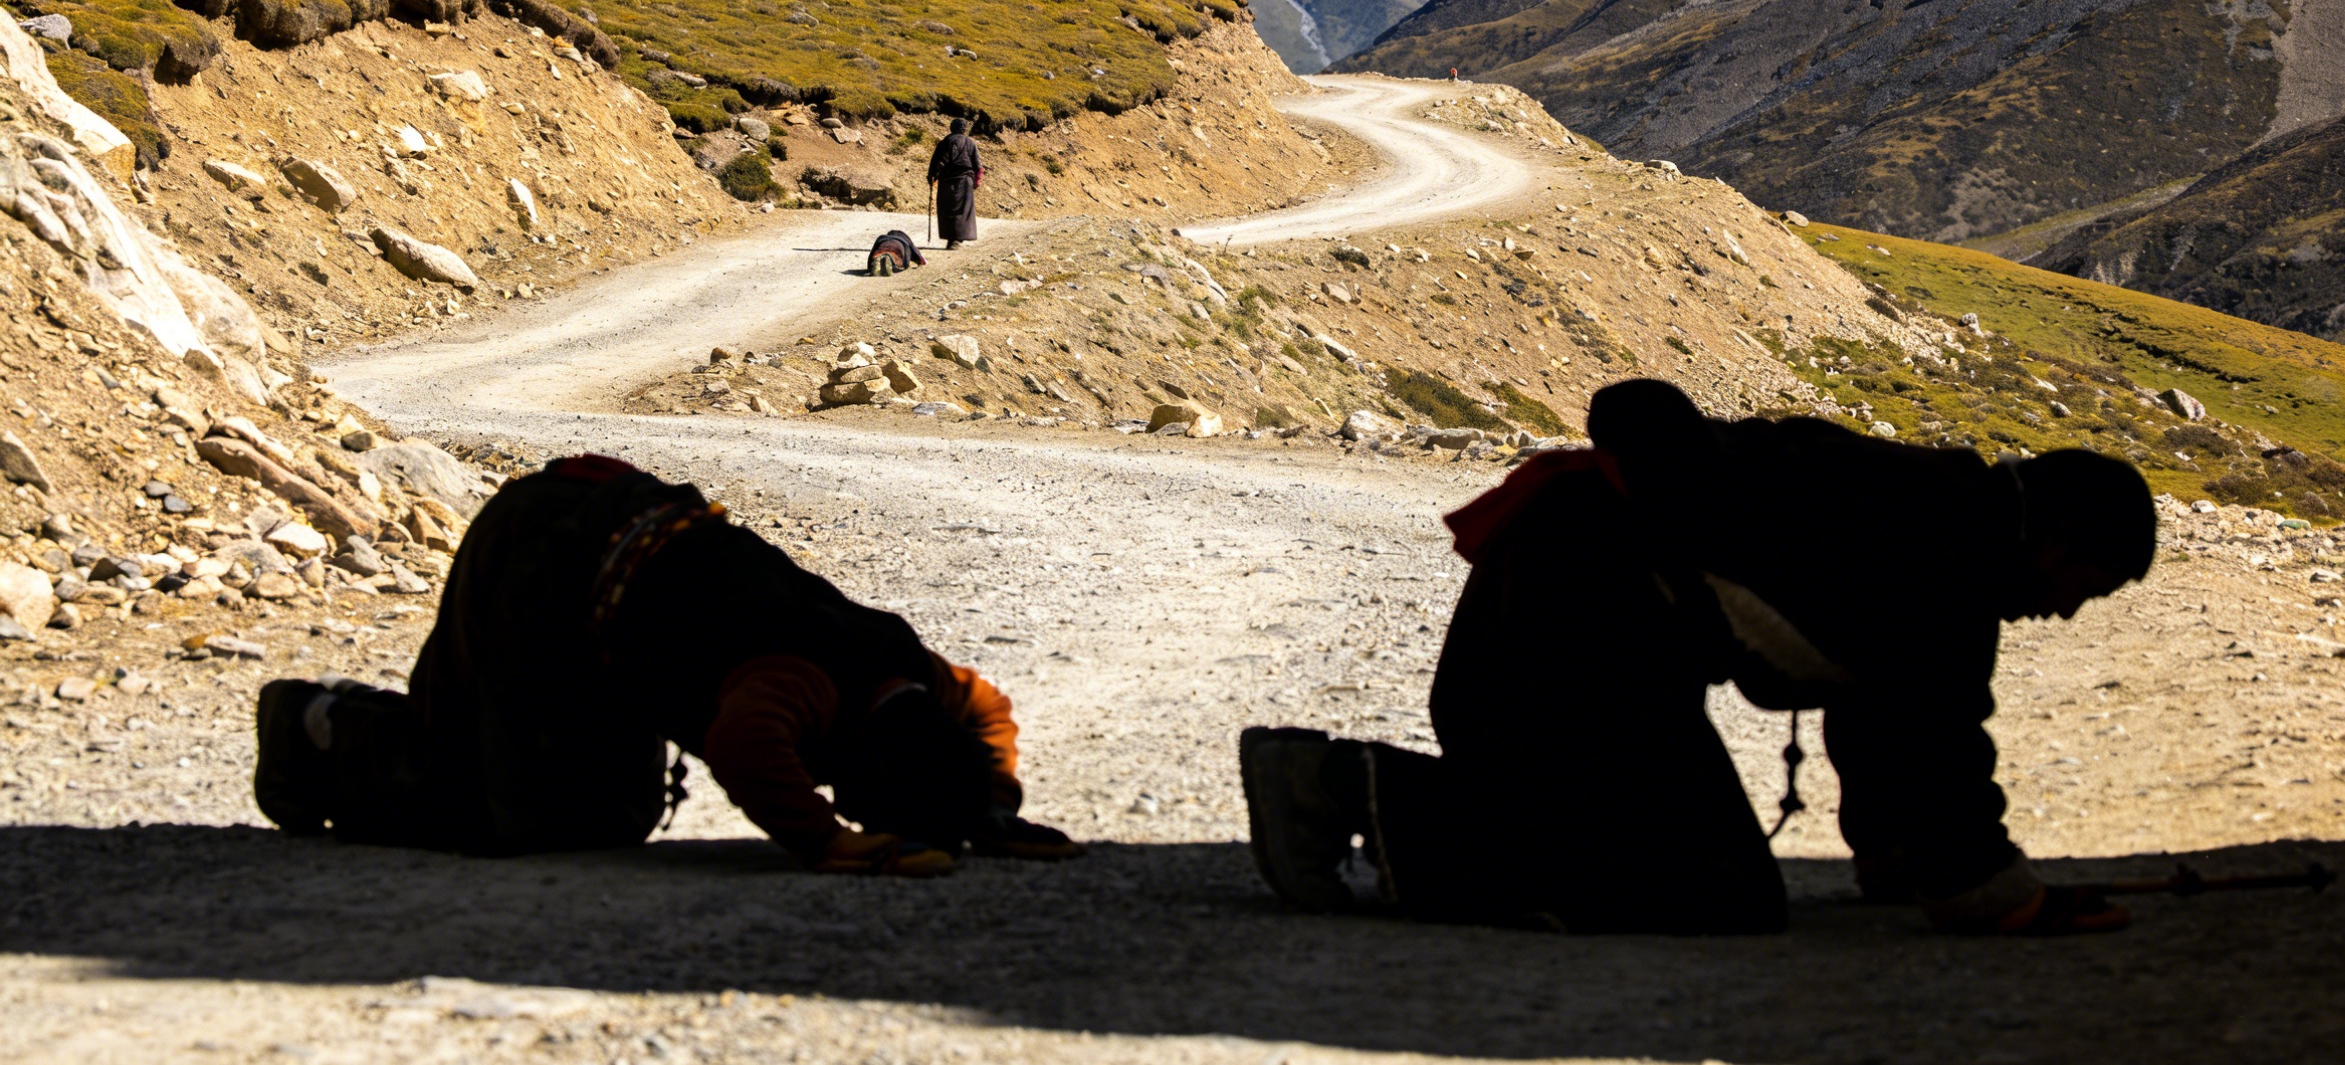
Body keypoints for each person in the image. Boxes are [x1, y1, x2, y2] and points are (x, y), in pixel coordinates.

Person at [1240, 379, 2155, 936]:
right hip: (1581, 613)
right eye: (2087, 584)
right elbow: (1936, 737)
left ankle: (1342, 789)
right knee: (1706, 890)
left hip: (1558, 597)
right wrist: (1995, 895)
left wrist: (1893, 857)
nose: (2069, 610)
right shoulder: (1951, 552)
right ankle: (1337, 785)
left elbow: (1880, 709)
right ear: (2056, 537)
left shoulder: (1938, 508)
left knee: (1661, 856)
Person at [253, 455, 1081, 874]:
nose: (850, 806)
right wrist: (828, 841)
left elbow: (987, 709)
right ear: (869, 770)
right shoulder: (803, 685)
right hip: (541, 551)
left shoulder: (916, 680)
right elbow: (746, 745)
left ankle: (385, 728)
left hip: (611, 579)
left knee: (608, 822)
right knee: (502, 815)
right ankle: (315, 721)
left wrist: (992, 804)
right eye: (865, 806)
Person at [927, 118, 982, 250]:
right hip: (965, 180)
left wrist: (931, 176)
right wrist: (977, 181)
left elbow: (936, 162)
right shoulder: (970, 143)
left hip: (946, 180)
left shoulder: (945, 142)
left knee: (947, 209)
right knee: (963, 210)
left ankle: (952, 239)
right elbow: (978, 166)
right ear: (963, 129)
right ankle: (957, 239)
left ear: (952, 128)